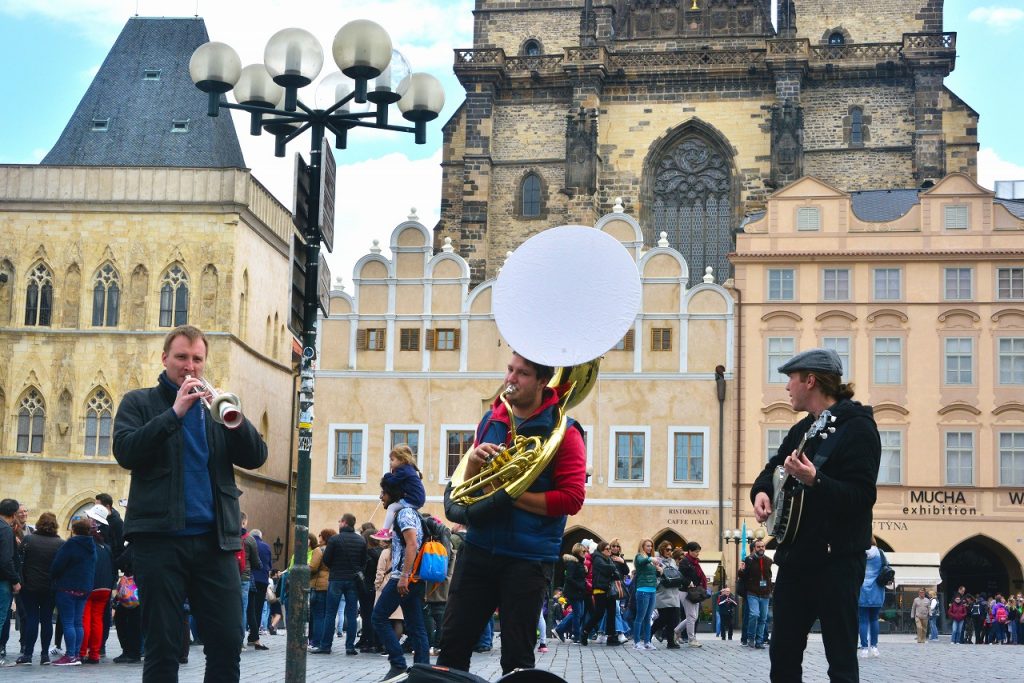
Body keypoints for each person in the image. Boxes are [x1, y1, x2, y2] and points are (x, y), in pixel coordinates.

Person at [112, 324, 268, 681]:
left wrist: (234, 418)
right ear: (165, 358)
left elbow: (257, 455)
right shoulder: (139, 402)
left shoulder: (216, 408)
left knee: (228, 642)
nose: (190, 366)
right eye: (182, 357)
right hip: (159, 540)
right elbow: (126, 452)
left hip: (216, 541)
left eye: (197, 359)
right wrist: (174, 414)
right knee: (164, 647)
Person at [437, 351, 586, 675]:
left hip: (527, 558)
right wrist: (475, 463)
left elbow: (572, 498)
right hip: (478, 549)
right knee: (451, 647)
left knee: (517, 659)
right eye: (510, 369)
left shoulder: (566, 432)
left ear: (543, 382)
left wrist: (508, 495)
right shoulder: (492, 420)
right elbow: (468, 488)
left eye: (522, 373)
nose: (511, 379)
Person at [751, 347, 880, 683]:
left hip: (837, 561)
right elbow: (773, 467)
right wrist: (762, 492)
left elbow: (862, 496)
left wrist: (815, 480)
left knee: (840, 660)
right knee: (782, 655)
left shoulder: (859, 428)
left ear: (810, 380)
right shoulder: (803, 430)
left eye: (791, 379)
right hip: (796, 559)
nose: (787, 387)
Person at [371, 478, 430, 682]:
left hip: (404, 577)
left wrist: (404, 576)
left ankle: (398, 664)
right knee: (416, 626)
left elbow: (412, 544)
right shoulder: (409, 513)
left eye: (383, 493)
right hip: (414, 577)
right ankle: (423, 670)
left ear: (393, 493)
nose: (381, 497)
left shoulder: (404, 514)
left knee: (378, 617)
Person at [15, 512, 63, 665]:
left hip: (30, 586)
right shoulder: (60, 543)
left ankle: (28, 654)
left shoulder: (29, 539)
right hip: (50, 587)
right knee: (47, 620)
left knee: (32, 619)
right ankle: (44, 655)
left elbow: (19, 559)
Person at [49, 519, 97, 666]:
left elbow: (57, 565)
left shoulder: (71, 544)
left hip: (68, 587)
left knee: (68, 622)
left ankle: (70, 655)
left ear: (74, 530)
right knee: (78, 622)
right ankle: (76, 654)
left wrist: (53, 576)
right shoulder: (91, 545)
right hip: (84, 588)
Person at [321, 512, 367, 655]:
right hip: (353, 580)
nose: (339, 523)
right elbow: (363, 562)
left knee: (330, 613)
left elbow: (326, 560)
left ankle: (326, 645)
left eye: (340, 521)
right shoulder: (361, 541)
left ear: (345, 523)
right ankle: (349, 646)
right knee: (351, 614)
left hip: (336, 579)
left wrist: (335, 567)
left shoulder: (334, 539)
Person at [79, 516, 116, 664]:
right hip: (105, 588)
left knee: (86, 620)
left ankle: (82, 652)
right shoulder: (106, 547)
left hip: (90, 586)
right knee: (97, 621)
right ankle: (95, 653)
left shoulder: (87, 546)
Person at [371, 445, 426, 541]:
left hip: (413, 499)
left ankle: (385, 531)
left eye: (392, 460)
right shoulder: (409, 469)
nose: (390, 463)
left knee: (392, 507)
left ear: (401, 460)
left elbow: (392, 481)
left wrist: (387, 475)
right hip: (417, 499)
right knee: (396, 510)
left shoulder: (403, 470)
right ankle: (393, 530)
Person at [580, 542, 621, 648]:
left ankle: (611, 637)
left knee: (611, 614)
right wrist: (612, 569)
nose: (609, 550)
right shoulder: (598, 558)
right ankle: (585, 632)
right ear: (601, 550)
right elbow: (608, 569)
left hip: (609, 590)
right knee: (599, 613)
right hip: (600, 589)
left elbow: (617, 574)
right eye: (607, 549)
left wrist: (612, 570)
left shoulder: (608, 559)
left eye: (609, 549)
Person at [674, 541, 708, 648]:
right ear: (690, 551)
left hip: (695, 591)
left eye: (698, 552)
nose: (698, 554)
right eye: (696, 552)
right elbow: (680, 576)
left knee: (694, 616)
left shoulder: (694, 562)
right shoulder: (685, 562)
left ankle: (676, 630)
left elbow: (698, 575)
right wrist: (688, 582)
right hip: (686, 591)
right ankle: (691, 639)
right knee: (691, 616)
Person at [0, 499, 21, 667]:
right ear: (13, 515)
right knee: (0, 618)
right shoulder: (5, 530)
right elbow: (6, 560)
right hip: (2, 580)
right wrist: (15, 580)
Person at [553, 543, 588, 644]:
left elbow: (579, 576)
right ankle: (576, 636)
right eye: (583, 551)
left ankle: (559, 629)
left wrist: (585, 572)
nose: (585, 553)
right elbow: (569, 578)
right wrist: (580, 585)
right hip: (574, 592)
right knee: (577, 614)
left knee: (579, 613)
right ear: (578, 551)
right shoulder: (573, 563)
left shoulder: (580, 563)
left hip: (579, 592)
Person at [308, 528, 335, 653]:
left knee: (318, 615)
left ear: (324, 538)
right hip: (331, 583)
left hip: (319, 584)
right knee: (326, 615)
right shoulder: (335, 548)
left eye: (320, 536)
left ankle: (316, 642)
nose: (319, 539)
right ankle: (325, 642)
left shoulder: (319, 550)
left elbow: (313, 567)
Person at [742, 539, 773, 650]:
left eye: (762, 546)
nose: (761, 548)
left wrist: (770, 589)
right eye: (758, 546)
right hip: (752, 592)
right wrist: (741, 571)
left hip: (765, 594)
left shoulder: (769, 560)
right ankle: (751, 637)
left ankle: (759, 641)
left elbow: (769, 576)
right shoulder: (748, 560)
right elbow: (743, 576)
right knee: (754, 614)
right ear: (754, 548)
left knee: (763, 619)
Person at [857, 538, 884, 658]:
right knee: (874, 619)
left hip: (861, 590)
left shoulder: (859, 553)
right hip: (877, 590)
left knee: (862, 620)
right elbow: (886, 568)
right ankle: (874, 647)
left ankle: (863, 649)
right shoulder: (880, 553)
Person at [247, 529, 272, 651]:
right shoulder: (266, 547)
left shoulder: (247, 542)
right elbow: (269, 565)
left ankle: (251, 636)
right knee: (258, 609)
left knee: (248, 608)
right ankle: (253, 636)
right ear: (260, 536)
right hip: (262, 580)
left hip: (250, 578)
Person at [632, 538, 658, 650]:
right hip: (643, 590)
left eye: (651, 546)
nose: (650, 548)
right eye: (647, 546)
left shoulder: (650, 560)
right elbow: (642, 562)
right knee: (640, 617)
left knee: (648, 618)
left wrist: (659, 570)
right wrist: (650, 558)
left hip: (652, 590)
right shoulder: (639, 557)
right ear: (642, 546)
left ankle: (647, 642)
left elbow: (652, 573)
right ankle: (637, 642)